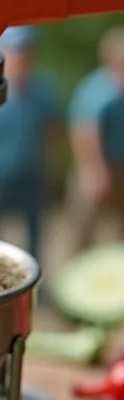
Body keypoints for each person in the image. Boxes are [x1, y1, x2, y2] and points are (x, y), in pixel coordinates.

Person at [0, 25, 61, 261]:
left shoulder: (43, 92)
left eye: (27, 52)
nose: (23, 58)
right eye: (17, 52)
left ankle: (34, 279)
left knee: (35, 232)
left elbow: (50, 131)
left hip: (31, 175)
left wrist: (50, 166)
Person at [67, 26, 124, 252]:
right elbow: (85, 130)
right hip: (97, 167)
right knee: (84, 229)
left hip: (120, 166)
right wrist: (92, 170)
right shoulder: (98, 90)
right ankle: (67, 280)